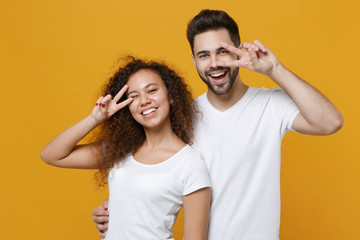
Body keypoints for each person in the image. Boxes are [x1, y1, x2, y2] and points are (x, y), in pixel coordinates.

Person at [92, 10, 344, 240]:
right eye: (204, 55)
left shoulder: (270, 105)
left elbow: (330, 122)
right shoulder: (181, 115)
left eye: (222, 51)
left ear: (239, 51)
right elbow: (142, 166)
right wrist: (123, 207)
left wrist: (275, 69)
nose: (214, 63)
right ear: (194, 61)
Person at [40, 57, 211, 240]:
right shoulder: (120, 150)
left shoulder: (189, 163)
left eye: (152, 90)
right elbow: (51, 155)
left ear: (171, 95)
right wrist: (95, 119)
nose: (144, 101)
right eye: (133, 97)